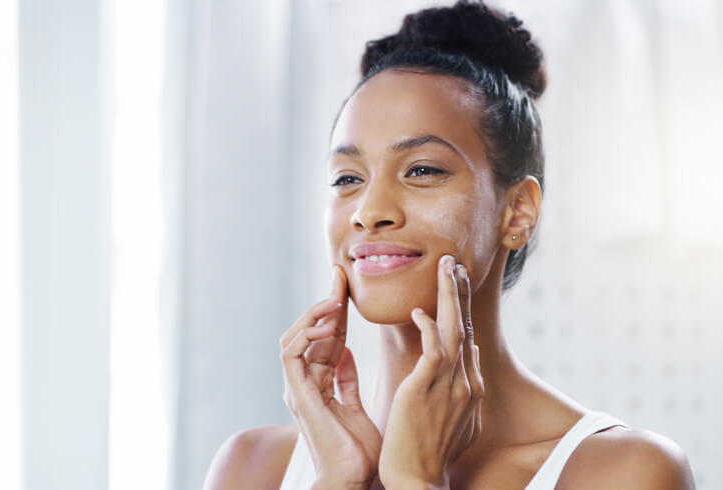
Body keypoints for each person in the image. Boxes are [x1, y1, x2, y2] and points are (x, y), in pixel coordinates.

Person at [204, 1, 696, 488]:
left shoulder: (623, 473)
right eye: (347, 178)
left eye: (421, 170)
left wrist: (415, 481)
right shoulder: (253, 469)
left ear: (517, 211)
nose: (369, 211)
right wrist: (338, 481)